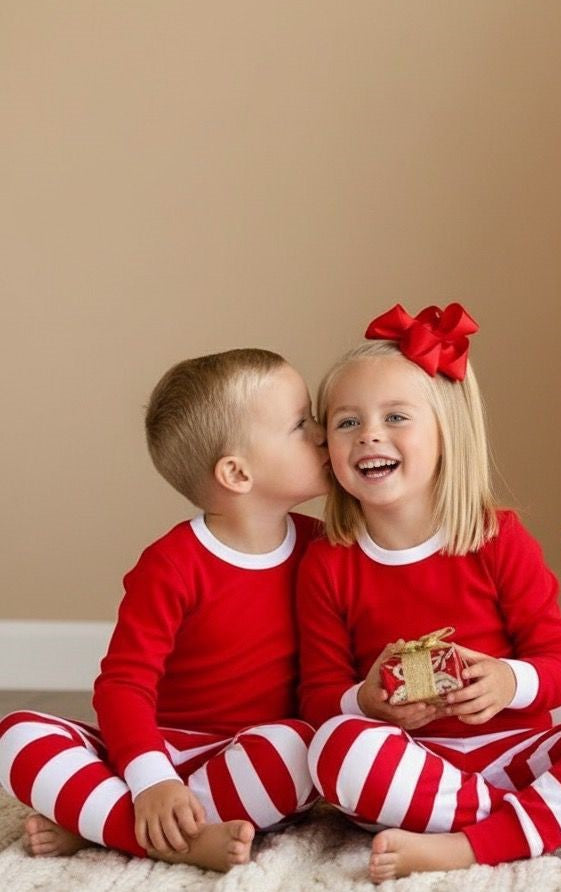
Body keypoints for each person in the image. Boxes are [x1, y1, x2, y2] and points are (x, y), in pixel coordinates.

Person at [298, 304, 561, 883]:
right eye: (346, 422)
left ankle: (470, 845)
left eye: (396, 416)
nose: (369, 434)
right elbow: (318, 698)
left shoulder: (496, 538)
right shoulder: (328, 562)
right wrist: (366, 702)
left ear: (447, 435)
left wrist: (509, 682)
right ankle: (555, 819)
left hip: (519, 754)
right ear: (327, 447)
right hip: (416, 771)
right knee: (334, 749)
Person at [0, 348, 330, 872]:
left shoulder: (324, 548)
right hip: (158, 748)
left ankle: (108, 827)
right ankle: (160, 829)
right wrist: (152, 779)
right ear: (237, 473)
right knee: (17, 735)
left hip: (249, 755)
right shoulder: (172, 564)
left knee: (303, 746)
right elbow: (124, 685)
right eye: (300, 423)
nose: (322, 432)